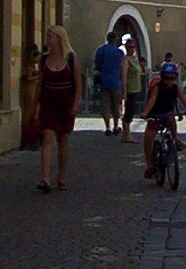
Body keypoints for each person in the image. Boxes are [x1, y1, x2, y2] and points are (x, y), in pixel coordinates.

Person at [36, 25, 82, 192]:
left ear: (59, 39)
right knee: (47, 137)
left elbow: (78, 84)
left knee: (63, 139)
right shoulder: (43, 60)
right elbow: (39, 85)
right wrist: (35, 107)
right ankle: (46, 178)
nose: (48, 40)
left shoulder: (70, 58)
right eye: (47, 36)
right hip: (48, 102)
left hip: (65, 102)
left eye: (51, 37)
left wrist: (76, 104)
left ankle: (61, 177)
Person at [139, 61, 186, 177]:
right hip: (155, 114)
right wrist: (145, 113)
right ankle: (150, 166)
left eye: (172, 78)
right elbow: (152, 100)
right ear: (162, 77)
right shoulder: (157, 88)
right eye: (167, 78)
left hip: (167, 113)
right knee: (148, 138)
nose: (169, 81)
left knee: (171, 120)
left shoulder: (176, 88)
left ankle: (176, 140)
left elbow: (183, 99)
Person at [93, 31, 125, 136]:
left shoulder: (101, 50)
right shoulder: (119, 52)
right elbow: (122, 66)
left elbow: (97, 64)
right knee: (115, 105)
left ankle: (107, 127)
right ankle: (116, 126)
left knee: (105, 105)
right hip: (115, 81)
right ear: (115, 40)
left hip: (104, 80)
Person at [120, 39, 143, 142]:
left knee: (131, 111)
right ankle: (126, 134)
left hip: (135, 88)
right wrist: (124, 90)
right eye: (130, 47)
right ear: (126, 47)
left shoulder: (134, 59)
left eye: (133, 47)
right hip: (129, 89)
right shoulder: (126, 60)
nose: (132, 49)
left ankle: (127, 133)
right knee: (128, 112)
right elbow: (123, 76)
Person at [20, 43, 41, 150]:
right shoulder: (29, 67)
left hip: (32, 90)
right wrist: (39, 76)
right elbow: (28, 79)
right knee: (29, 116)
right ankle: (28, 140)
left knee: (32, 115)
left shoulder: (32, 66)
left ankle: (32, 139)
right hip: (29, 90)